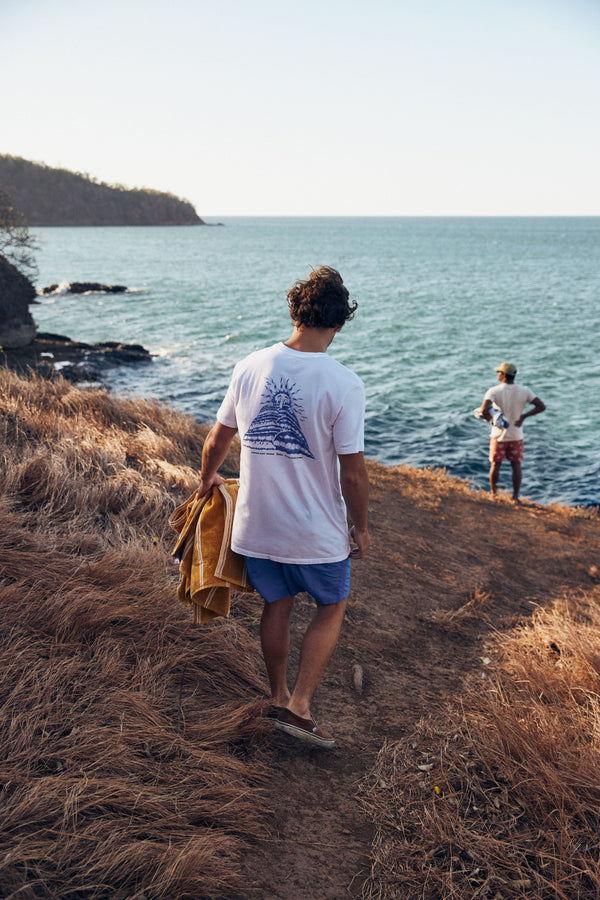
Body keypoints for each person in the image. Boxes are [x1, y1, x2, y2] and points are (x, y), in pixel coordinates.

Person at [197, 266, 370, 748]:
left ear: (296, 311)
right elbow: (352, 473)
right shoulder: (344, 383)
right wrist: (361, 526)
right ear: (339, 322)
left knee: (277, 603)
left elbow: (218, 438)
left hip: (258, 525)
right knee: (332, 604)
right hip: (315, 531)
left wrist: (207, 480)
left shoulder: (250, 365)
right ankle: (299, 706)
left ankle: (277, 697)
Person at [478, 361, 545, 503]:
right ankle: (515, 497)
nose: (497, 374)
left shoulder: (493, 391)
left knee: (495, 465)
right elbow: (541, 406)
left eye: (498, 372)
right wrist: (524, 417)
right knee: (516, 465)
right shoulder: (525, 390)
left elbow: (483, 410)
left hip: (498, 434)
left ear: (503, 374)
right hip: (516, 434)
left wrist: (491, 421)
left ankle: (494, 495)